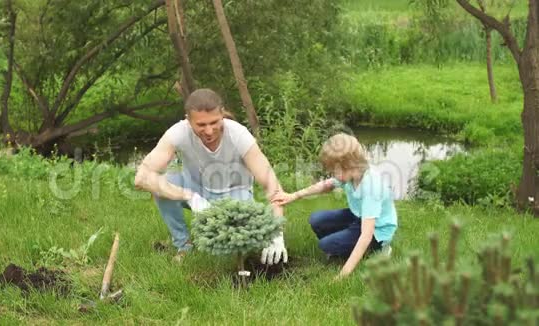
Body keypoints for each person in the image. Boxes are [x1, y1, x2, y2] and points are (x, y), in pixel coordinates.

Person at [135, 88, 287, 265]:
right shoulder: (178, 133)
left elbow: (273, 188)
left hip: (235, 195)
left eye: (214, 122)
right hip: (196, 188)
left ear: (222, 114)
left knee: (229, 250)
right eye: (201, 125)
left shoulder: (239, 135)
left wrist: (277, 234)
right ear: (188, 120)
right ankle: (184, 245)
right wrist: (189, 196)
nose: (209, 131)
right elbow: (141, 177)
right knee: (163, 183)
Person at [271, 133, 397, 279]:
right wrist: (293, 196)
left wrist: (343, 275)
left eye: (333, 170)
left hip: (377, 231)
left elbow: (366, 236)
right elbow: (326, 185)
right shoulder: (352, 174)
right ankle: (343, 245)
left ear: (348, 165)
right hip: (359, 216)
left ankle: (379, 250)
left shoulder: (371, 187)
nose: (331, 174)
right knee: (316, 219)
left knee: (326, 245)